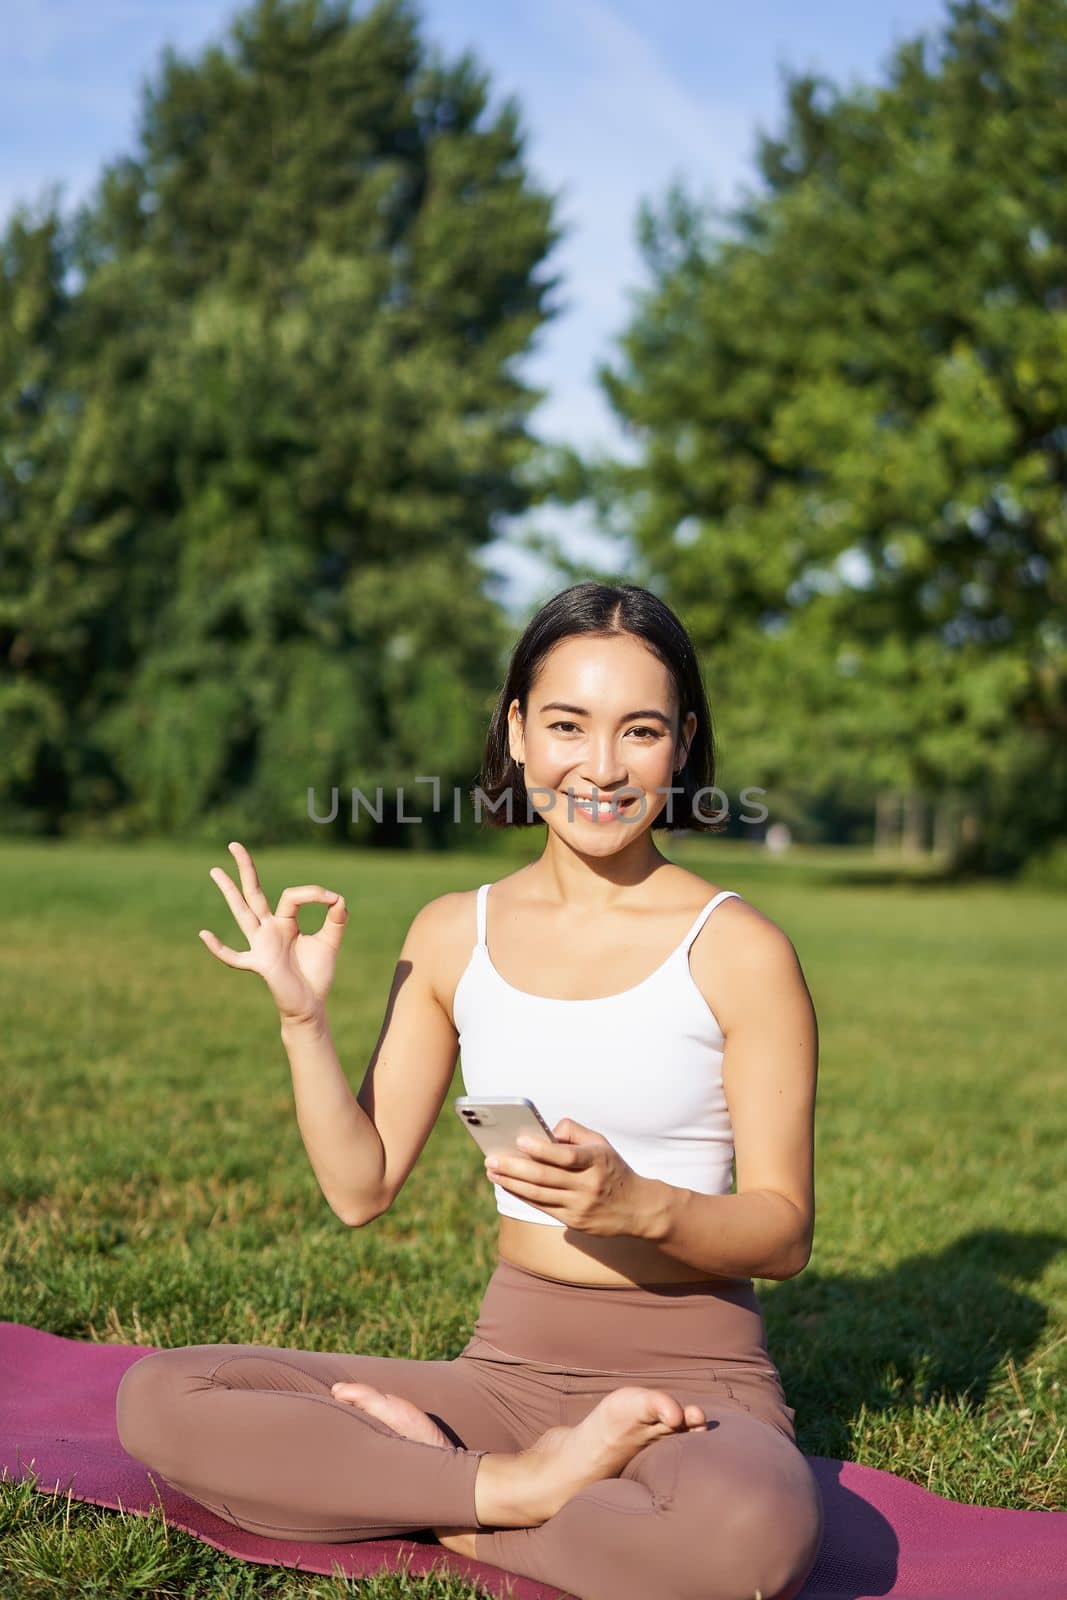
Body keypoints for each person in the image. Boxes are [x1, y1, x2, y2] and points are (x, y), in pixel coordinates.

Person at [116, 581, 824, 1600]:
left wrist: (640, 1205)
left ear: (682, 743)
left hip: (693, 1391)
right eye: (567, 725)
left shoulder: (739, 948)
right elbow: (359, 1188)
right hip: (502, 1375)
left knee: (743, 1536)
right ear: (517, 732)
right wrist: (300, 1020)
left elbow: (783, 1232)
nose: (600, 766)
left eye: (639, 730)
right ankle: (520, 1481)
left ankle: (461, 1507)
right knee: (164, 1395)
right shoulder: (454, 933)